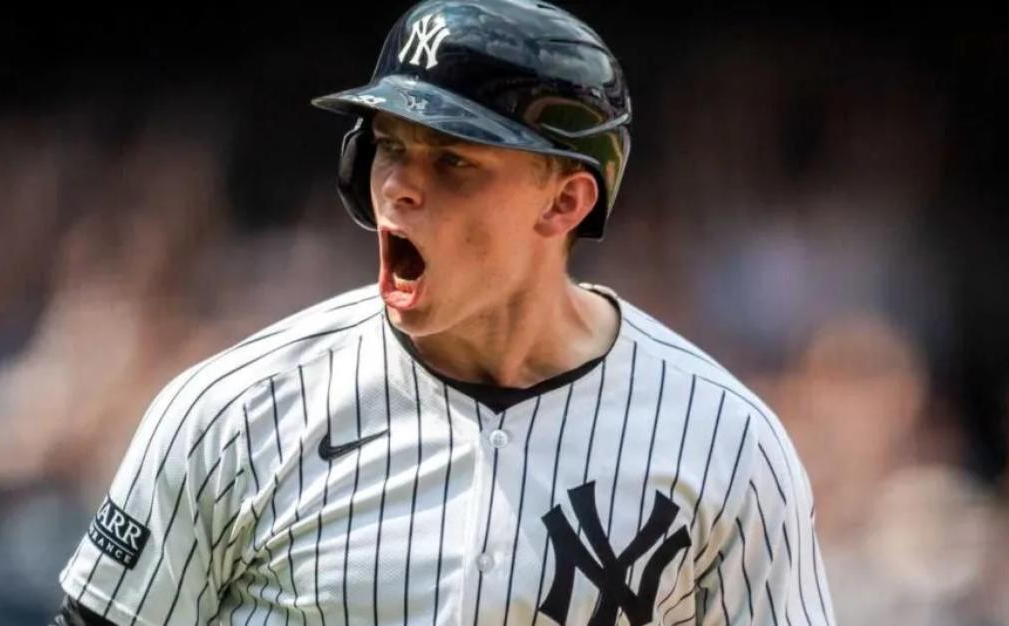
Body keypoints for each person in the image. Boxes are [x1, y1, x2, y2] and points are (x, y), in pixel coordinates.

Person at [51, 1, 835, 624]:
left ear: (565, 200)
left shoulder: (727, 444)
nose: (399, 186)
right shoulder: (230, 416)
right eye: (390, 145)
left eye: (454, 160)